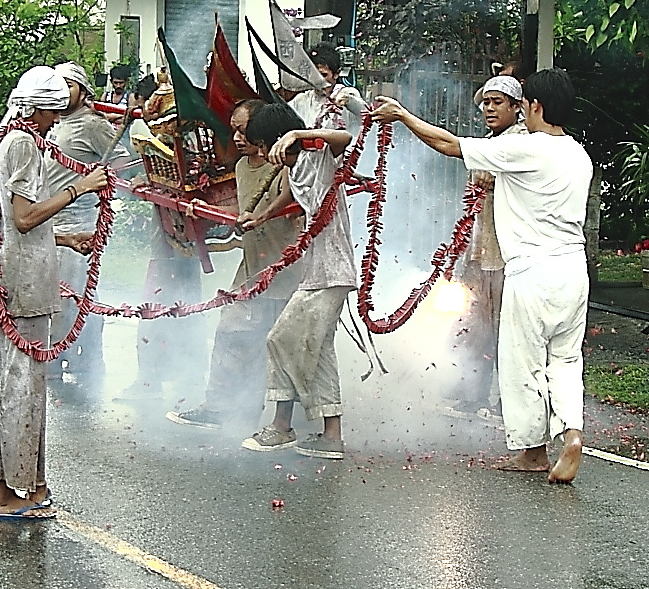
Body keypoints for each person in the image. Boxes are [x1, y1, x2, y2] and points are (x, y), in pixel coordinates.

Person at [373, 68, 592, 483]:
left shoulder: (529, 149)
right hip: (574, 272)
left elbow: (450, 145)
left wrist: (403, 115)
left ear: (535, 107)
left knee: (522, 364)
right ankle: (573, 433)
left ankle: (532, 454)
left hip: (533, 272)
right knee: (565, 359)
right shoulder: (578, 154)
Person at [0, 66, 107, 519]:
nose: (53, 122)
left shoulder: (15, 138)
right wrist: (81, 188)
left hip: (25, 268)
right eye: (50, 113)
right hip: (22, 279)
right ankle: (11, 492)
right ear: (36, 108)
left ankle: (25, 484)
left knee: (28, 385)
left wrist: (66, 239)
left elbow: (17, 223)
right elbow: (22, 217)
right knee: (22, 387)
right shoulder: (20, 143)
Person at [167, 99, 302, 429]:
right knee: (232, 330)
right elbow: (241, 217)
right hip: (252, 268)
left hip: (287, 271)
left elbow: (290, 209)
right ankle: (222, 407)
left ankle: (286, 420)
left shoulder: (288, 166)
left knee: (281, 346)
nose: (237, 138)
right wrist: (204, 211)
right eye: (235, 130)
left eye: (244, 131)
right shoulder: (242, 167)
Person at [239, 103, 354, 459]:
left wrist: (298, 134)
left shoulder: (316, 155)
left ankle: (281, 427)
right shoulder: (295, 165)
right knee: (317, 351)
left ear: (279, 139)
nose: (260, 153)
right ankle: (331, 437)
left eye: (262, 144)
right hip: (317, 268)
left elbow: (345, 137)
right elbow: (289, 194)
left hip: (331, 270)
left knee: (279, 339)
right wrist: (259, 218)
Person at [446, 75, 527, 419]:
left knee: (504, 330)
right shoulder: (489, 142)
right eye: (486, 103)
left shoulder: (522, 142)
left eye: (497, 102)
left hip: (506, 252)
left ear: (516, 107)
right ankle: (474, 393)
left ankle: (506, 400)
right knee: (477, 325)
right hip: (481, 249)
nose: (490, 109)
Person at [43, 62, 128, 382]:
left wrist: (96, 180)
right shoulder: (52, 123)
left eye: (69, 86)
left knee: (76, 297)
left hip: (80, 220)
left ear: (83, 91)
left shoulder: (91, 124)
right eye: (57, 86)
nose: (63, 93)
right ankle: (57, 356)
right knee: (55, 297)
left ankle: (85, 362)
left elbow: (120, 160)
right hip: (50, 220)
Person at [288, 44, 367, 132]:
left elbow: (366, 114)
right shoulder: (301, 100)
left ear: (336, 74)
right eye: (314, 75)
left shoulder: (348, 94)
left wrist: (349, 101)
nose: (319, 81)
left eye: (323, 75)